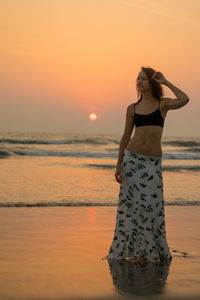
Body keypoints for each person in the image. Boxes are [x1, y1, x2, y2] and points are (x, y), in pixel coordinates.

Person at [103, 66, 189, 263]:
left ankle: (149, 249)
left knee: (150, 207)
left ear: (152, 83)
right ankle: (140, 252)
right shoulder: (132, 108)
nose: (139, 82)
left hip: (152, 164)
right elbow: (126, 136)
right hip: (132, 161)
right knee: (134, 209)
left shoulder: (162, 105)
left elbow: (184, 99)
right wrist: (118, 165)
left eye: (143, 79)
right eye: (138, 79)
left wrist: (165, 81)